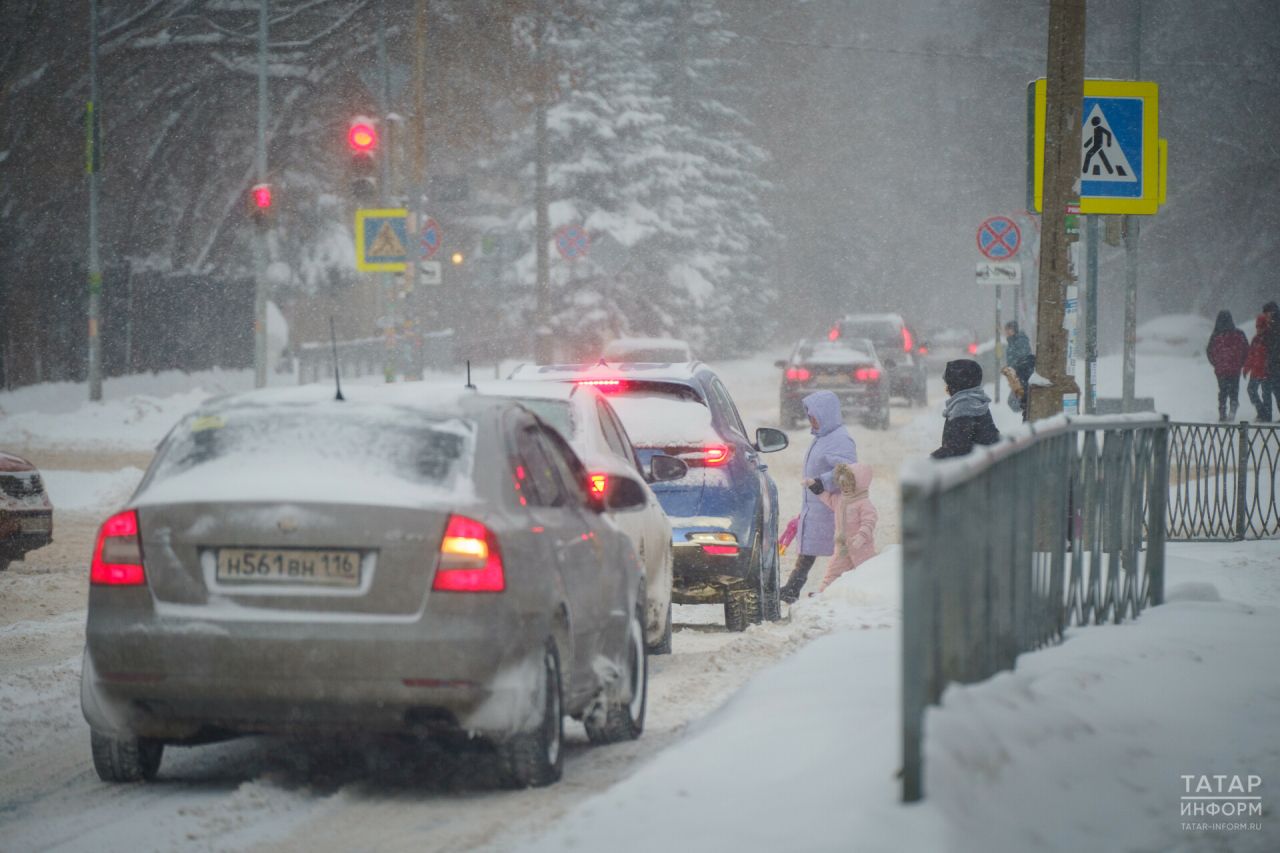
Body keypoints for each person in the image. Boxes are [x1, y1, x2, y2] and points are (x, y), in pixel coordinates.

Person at [779, 390, 858, 604]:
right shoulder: (823, 437)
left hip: (831, 507)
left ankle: (842, 588)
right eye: (808, 415)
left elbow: (848, 471)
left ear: (826, 414)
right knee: (809, 550)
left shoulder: (839, 440)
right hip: (817, 505)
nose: (810, 420)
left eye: (813, 415)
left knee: (843, 551)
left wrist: (823, 482)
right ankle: (793, 588)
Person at [814, 462, 878, 593]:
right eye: (842, 485)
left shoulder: (864, 503)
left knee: (865, 573)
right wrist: (814, 487)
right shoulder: (840, 500)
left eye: (849, 485)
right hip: (842, 547)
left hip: (861, 548)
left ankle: (866, 596)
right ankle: (822, 593)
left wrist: (861, 536)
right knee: (833, 571)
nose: (845, 488)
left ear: (859, 484)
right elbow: (828, 498)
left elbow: (869, 521)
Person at [931, 359, 1000, 459]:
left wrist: (931, 461)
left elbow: (957, 449)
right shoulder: (977, 402)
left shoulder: (964, 408)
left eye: (949, 385)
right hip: (982, 466)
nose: (946, 389)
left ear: (956, 386)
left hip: (972, 469)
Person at [1206, 310, 1249, 422]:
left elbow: (1209, 351)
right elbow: (1246, 350)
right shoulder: (1239, 334)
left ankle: (1222, 412)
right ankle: (1233, 407)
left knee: (1223, 391)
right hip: (1235, 368)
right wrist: (1240, 363)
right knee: (1234, 389)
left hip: (1221, 369)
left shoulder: (1216, 335)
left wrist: (1216, 363)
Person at [1243, 311, 1271, 422]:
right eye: (1257, 327)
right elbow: (1251, 355)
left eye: (1260, 326)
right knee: (1252, 391)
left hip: (1265, 372)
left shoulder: (1269, 339)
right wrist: (1246, 368)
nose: (1258, 329)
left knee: (1265, 394)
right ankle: (1262, 412)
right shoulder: (1256, 339)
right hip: (1256, 370)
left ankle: (1266, 415)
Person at [1261, 302, 1280, 420]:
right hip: (1274, 364)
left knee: (1277, 390)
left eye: (1266, 313)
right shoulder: (1272, 326)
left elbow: (1272, 346)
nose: (1265, 316)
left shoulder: (1274, 327)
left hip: (1276, 364)